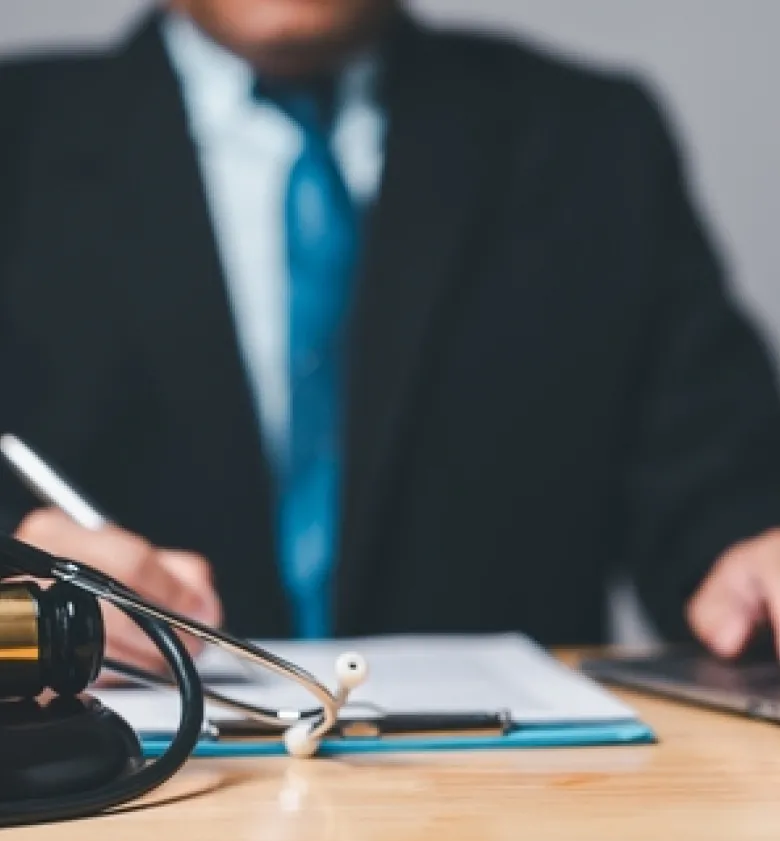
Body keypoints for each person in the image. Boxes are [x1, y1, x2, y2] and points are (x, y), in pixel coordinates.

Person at [1, 0, 780, 674]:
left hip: (516, 815)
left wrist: (750, 552)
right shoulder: (18, 133)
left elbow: (717, 478)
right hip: (128, 809)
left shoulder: (592, 140)